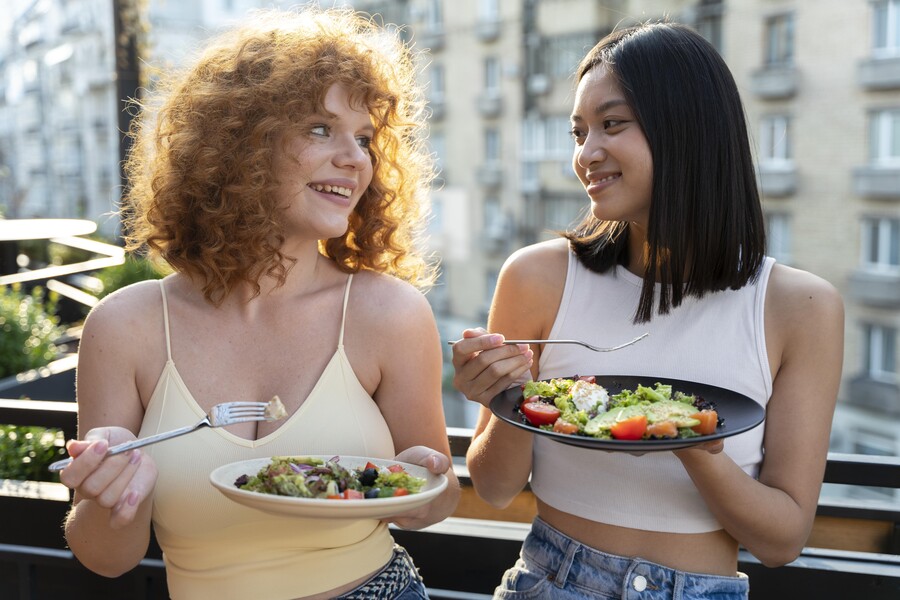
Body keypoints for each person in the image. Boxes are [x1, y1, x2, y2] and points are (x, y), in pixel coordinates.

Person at [58, 7, 460, 599]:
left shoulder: (391, 314)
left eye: (365, 138)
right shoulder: (126, 326)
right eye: (320, 128)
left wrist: (428, 483)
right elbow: (108, 559)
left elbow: (435, 503)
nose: (355, 158)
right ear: (238, 145)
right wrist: (105, 497)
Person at [450, 20, 844, 600]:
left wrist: (691, 443)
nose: (587, 154)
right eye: (578, 132)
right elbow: (495, 486)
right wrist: (502, 396)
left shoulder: (801, 308)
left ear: (688, 131)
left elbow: (782, 540)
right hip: (552, 581)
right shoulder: (536, 277)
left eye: (612, 125)